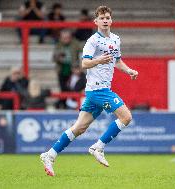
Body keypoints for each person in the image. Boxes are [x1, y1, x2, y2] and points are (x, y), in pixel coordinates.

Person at [40, 6, 138, 177]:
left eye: (108, 17)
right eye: (102, 18)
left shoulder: (116, 39)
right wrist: (98, 60)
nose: (105, 20)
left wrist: (129, 70)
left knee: (79, 128)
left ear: (111, 20)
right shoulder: (92, 41)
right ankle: (98, 147)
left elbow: (117, 61)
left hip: (100, 90)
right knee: (126, 117)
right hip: (98, 89)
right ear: (96, 21)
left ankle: (50, 155)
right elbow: (84, 64)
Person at [53, 30, 81, 109]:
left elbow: (82, 52)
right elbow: (54, 57)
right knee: (63, 88)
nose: (65, 40)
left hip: (73, 71)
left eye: (67, 38)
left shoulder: (75, 44)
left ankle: (67, 103)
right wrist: (59, 57)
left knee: (71, 88)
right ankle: (63, 104)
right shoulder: (58, 45)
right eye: (63, 38)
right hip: (62, 70)